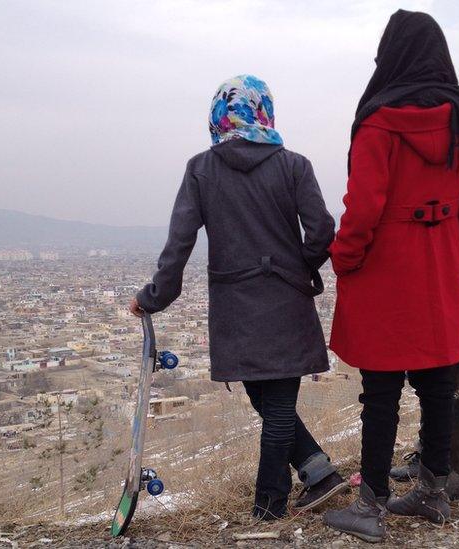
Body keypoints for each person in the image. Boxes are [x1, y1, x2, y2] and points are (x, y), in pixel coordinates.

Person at [129, 75, 348, 520]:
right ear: (264, 111)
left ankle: (269, 505)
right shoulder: (294, 165)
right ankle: (317, 473)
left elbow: (180, 243)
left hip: (234, 305)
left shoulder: (201, 169)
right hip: (285, 298)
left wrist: (153, 297)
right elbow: (322, 230)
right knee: (273, 399)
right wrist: (298, 268)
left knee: (269, 400)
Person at [322, 10, 459, 542]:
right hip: (438, 260)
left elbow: (363, 207)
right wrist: (457, 264)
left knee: (381, 388)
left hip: (385, 269)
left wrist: (343, 258)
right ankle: (434, 492)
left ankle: (370, 506)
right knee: (439, 380)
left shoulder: (379, 122)